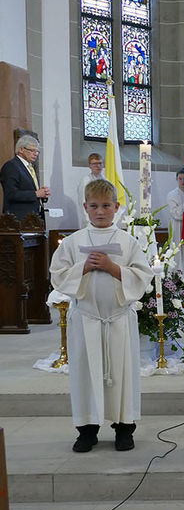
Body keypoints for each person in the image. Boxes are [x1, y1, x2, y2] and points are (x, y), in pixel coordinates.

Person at [49, 179, 153, 452]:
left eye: (106, 206)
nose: (100, 211)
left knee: (121, 376)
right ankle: (87, 430)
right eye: (94, 206)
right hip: (87, 320)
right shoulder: (73, 242)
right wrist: (83, 268)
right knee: (85, 376)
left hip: (118, 319)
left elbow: (143, 277)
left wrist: (112, 267)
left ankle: (123, 428)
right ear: (85, 207)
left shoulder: (127, 242)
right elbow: (58, 276)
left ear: (117, 207)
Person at [1, 135, 50, 221]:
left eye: (37, 151)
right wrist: (36, 194)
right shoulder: (11, 166)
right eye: (32, 150)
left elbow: (30, 190)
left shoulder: (30, 167)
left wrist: (42, 194)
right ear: (21, 150)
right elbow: (11, 194)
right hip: (18, 220)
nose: (36, 154)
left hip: (33, 219)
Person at [78, 153, 106, 228]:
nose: (98, 166)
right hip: (90, 221)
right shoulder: (85, 181)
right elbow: (83, 202)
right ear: (89, 166)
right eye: (95, 164)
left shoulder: (106, 181)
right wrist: (89, 221)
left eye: (100, 163)